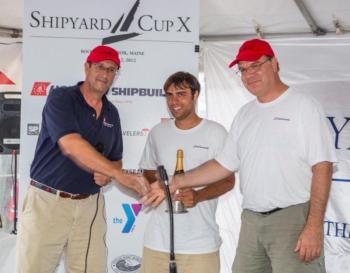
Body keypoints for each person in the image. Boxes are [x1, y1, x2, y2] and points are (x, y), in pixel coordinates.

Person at [143, 39, 337, 273]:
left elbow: (322, 167)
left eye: (255, 65)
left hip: (292, 218)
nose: (249, 74)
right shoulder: (245, 114)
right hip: (252, 220)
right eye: (243, 69)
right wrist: (175, 181)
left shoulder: (303, 105)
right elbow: (223, 165)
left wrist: (314, 226)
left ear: (274, 63)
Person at [16, 45, 149, 273]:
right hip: (48, 202)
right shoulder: (62, 97)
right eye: (100, 67)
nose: (105, 74)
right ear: (87, 67)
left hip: (90, 206)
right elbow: (71, 145)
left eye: (111, 69)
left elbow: (116, 160)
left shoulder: (111, 113)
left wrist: (109, 174)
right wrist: (117, 174)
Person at [139, 71, 234, 273]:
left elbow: (228, 181)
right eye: (169, 95)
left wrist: (198, 195)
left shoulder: (215, 132)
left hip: (199, 243)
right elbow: (147, 172)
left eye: (181, 94)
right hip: (157, 242)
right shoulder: (158, 132)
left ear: (195, 95)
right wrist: (159, 184)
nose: (174, 101)